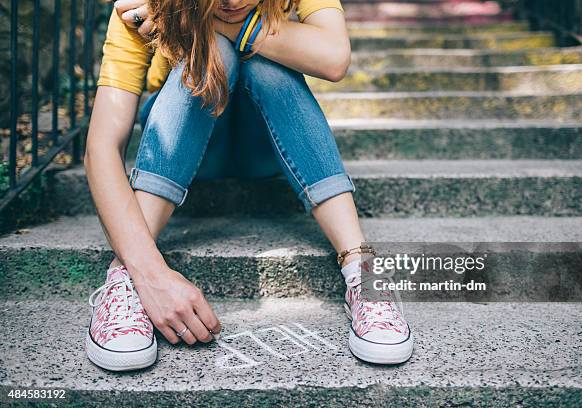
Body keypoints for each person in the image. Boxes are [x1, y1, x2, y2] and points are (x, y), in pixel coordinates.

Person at [84, 0, 413, 371]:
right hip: (191, 147)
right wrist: (151, 274)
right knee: (215, 54)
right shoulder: (145, 6)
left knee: (263, 58)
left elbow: (335, 58)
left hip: (267, 147)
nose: (230, 1)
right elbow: (100, 148)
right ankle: (127, 276)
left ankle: (362, 270)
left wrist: (206, 23)